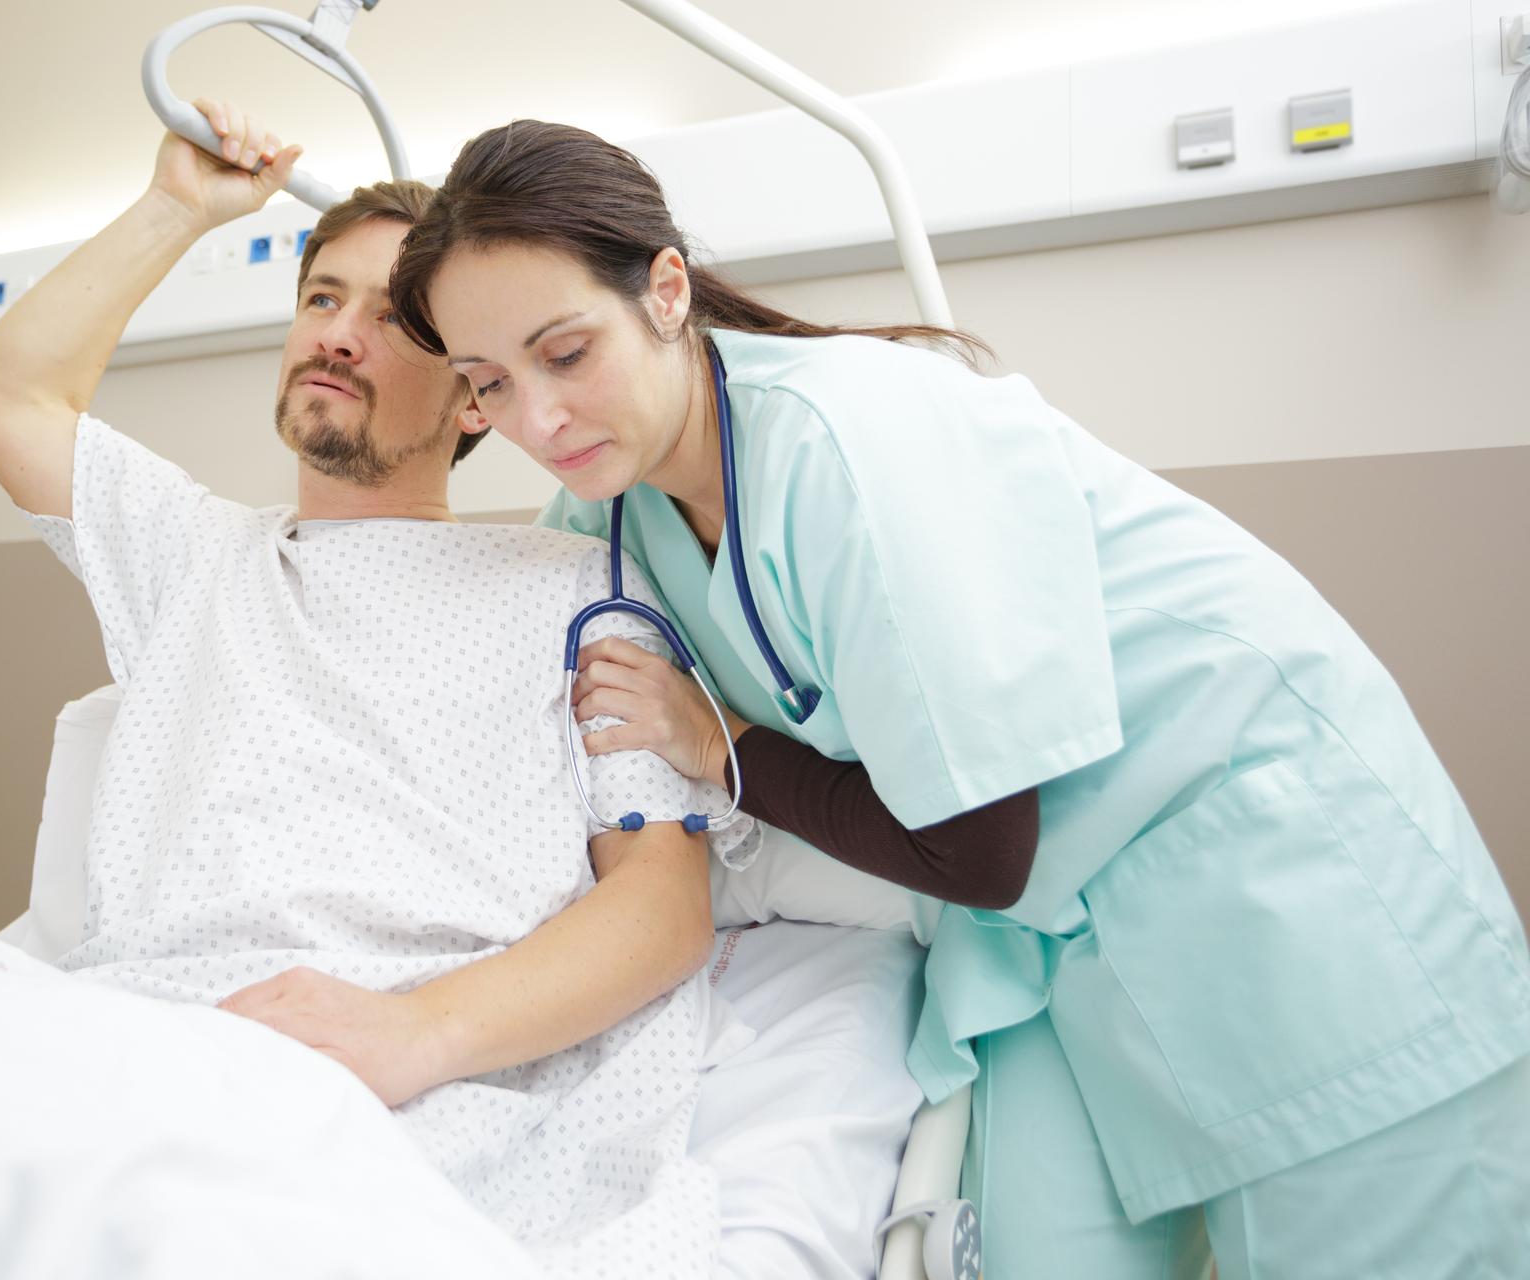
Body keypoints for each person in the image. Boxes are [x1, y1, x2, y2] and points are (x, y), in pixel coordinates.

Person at [385, 117, 1530, 1276]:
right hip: (1046, 939)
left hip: (1264, 857)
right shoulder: (611, 516)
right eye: (489, 385)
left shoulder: (849, 440)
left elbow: (981, 845)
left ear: (667, 290)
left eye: (566, 353)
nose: (539, 420)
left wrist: (722, 742)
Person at [0, 101, 758, 1276]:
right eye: (321, 298)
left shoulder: (580, 590)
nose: (337, 334)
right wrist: (179, 206)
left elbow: (660, 908)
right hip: (150, 1040)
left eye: (390, 320)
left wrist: (412, 1033)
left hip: (431, 1069)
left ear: (476, 394)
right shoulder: (194, 558)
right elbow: (6, 399)